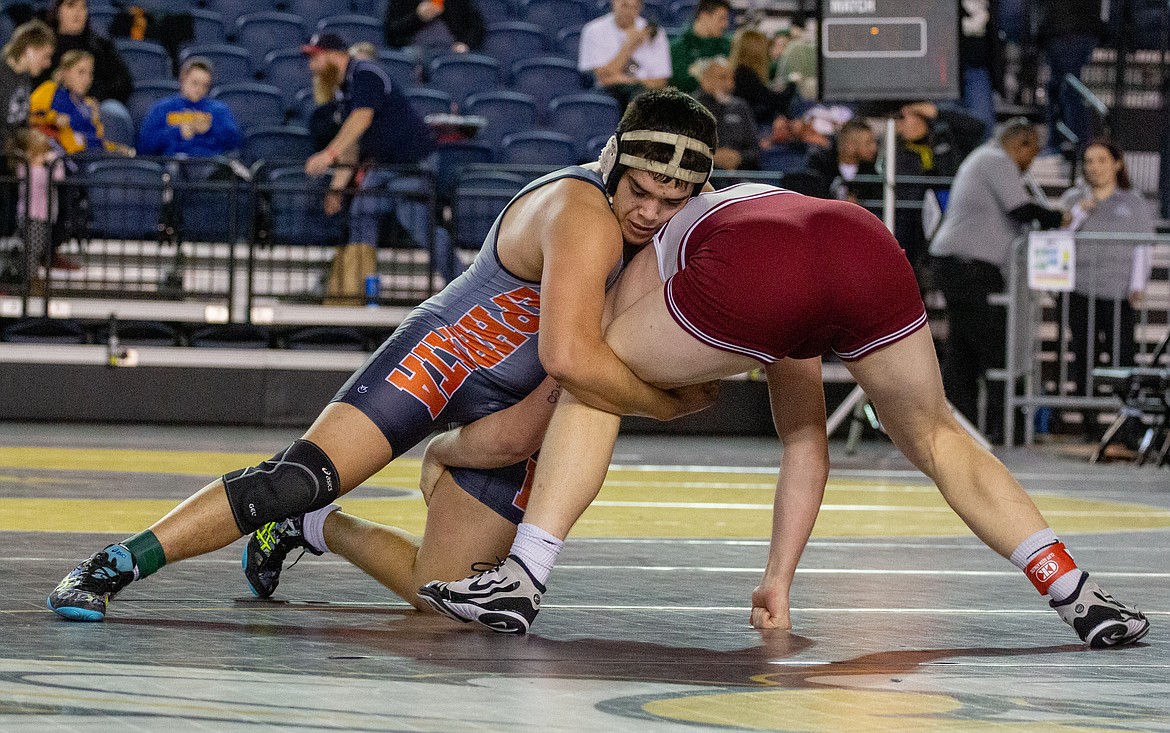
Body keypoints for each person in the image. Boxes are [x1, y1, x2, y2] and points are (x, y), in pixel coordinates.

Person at [46, 89, 719, 623]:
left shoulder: (661, 243)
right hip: (444, 353)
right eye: (641, 192)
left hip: (519, 392)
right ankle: (112, 565)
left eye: (672, 200)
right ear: (612, 163)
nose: (650, 213)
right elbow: (574, 360)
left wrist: (450, 451)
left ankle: (312, 528)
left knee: (445, 595)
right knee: (297, 475)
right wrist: (666, 404)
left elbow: (536, 415)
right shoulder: (581, 209)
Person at [420, 182, 1150, 649]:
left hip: (760, 266)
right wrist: (780, 577)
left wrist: (448, 448)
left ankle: (524, 576)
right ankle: (1073, 589)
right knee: (935, 434)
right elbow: (807, 441)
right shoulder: (748, 202)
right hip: (861, 241)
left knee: (594, 375)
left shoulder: (641, 245)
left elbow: (560, 388)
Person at [930, 119, 1065, 443]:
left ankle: (962, 427)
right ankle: (1002, 427)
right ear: (1022, 143)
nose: (1030, 164)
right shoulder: (994, 159)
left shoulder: (983, 159)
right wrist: (1059, 217)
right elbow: (1020, 209)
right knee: (995, 348)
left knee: (964, 350)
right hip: (969, 268)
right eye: (1031, 154)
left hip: (962, 266)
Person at [299, 32, 455, 301]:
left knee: (417, 222)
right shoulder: (343, 89)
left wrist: (328, 154)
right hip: (383, 165)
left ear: (334, 55)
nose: (311, 66)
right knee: (361, 213)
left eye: (315, 58)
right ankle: (358, 290)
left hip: (411, 161)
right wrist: (337, 187)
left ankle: (460, 285)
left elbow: (362, 118)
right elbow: (353, 144)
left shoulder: (365, 73)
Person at [1057, 139, 1155, 430]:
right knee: (1084, 356)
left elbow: (1143, 247)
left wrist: (1138, 284)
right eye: (1089, 161)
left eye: (1101, 160)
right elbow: (1057, 240)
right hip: (1081, 289)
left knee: (1122, 358)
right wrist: (1079, 213)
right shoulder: (1073, 198)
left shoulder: (1134, 202)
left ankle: (1127, 425)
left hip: (1119, 293)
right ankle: (1090, 423)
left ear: (1117, 164)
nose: (1094, 167)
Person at [890, 101, 986, 272]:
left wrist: (937, 112)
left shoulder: (946, 138)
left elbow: (978, 127)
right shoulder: (895, 148)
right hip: (913, 218)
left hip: (951, 212)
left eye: (905, 118)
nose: (900, 124)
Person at [0, 20, 55, 243]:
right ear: (29, 50)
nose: (47, 63)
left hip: (11, 158)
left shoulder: (23, 78)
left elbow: (20, 121)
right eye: (45, 55)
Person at [29, 49, 133, 156]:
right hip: (62, 157)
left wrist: (115, 148)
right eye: (81, 72)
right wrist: (53, 118)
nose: (87, 79)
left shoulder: (89, 104)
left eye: (90, 74)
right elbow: (27, 115)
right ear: (65, 72)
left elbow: (95, 139)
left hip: (90, 157)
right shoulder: (49, 90)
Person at [137, 57, 242, 158]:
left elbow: (235, 144)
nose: (199, 89)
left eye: (205, 85)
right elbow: (144, 147)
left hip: (209, 164)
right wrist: (177, 131)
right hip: (172, 165)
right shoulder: (162, 108)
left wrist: (210, 129)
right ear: (183, 78)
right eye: (195, 83)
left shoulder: (219, 110)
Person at [577, 0, 670, 111]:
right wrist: (629, 46)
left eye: (634, 7)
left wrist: (627, 80)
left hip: (643, 94)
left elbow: (660, 81)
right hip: (608, 93)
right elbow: (602, 78)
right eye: (624, 5)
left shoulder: (655, 32)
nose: (628, 12)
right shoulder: (593, 30)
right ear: (614, 3)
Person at [1036, 0, 1103, 154]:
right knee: (1060, 88)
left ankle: (1077, 146)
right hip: (1068, 29)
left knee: (1069, 90)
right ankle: (1064, 143)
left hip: (1068, 29)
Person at [35, 0, 132, 105]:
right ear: (57, 11)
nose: (78, 12)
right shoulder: (43, 47)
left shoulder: (101, 46)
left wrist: (95, 99)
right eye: (71, 5)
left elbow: (122, 83)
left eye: (83, 7)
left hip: (96, 107)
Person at [690, 56, 758, 170]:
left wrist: (739, 157)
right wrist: (711, 157)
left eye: (732, 79)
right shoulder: (690, 108)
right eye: (723, 78)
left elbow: (755, 150)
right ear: (705, 79)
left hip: (740, 175)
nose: (730, 84)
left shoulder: (741, 107)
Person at [802, 118, 880, 204]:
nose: (874, 147)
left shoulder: (873, 171)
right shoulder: (821, 165)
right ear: (850, 145)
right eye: (868, 143)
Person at [728, 27, 792, 127]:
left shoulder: (739, 73)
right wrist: (792, 85)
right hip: (753, 128)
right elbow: (773, 102)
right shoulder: (745, 75)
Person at [669, 0, 731, 94]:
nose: (725, 24)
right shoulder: (678, 48)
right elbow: (679, 83)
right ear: (704, 16)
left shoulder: (729, 45)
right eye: (721, 18)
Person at [384, 0, 485, 53]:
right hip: (416, 49)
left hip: (451, 49)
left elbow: (476, 25)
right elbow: (392, 30)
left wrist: (465, 44)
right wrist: (417, 17)